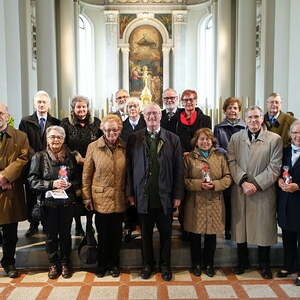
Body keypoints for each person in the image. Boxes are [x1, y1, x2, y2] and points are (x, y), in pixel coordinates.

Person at [127, 103, 184, 281]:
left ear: (161, 116)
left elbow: (179, 169)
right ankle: (147, 265)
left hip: (165, 196)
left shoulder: (173, 139)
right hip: (143, 195)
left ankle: (165, 266)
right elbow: (129, 168)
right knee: (145, 235)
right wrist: (130, 193)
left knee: (166, 235)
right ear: (144, 117)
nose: (152, 116)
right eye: (148, 114)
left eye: (155, 113)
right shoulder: (134, 138)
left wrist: (177, 195)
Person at [227, 106, 283, 279]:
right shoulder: (236, 138)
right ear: (245, 119)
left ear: (262, 119)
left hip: (263, 191)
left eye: (257, 117)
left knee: (263, 227)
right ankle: (242, 262)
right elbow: (231, 160)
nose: (253, 121)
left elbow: (275, 167)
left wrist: (256, 184)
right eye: (250, 117)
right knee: (240, 226)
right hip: (241, 189)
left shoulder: (274, 139)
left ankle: (264, 263)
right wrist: (243, 181)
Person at [28, 126, 80, 279]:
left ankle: (65, 262)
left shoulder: (70, 156)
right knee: (50, 236)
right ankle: (52, 263)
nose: (55, 140)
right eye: (52, 137)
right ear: (47, 139)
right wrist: (52, 185)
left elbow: (77, 179)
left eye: (59, 137)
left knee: (65, 235)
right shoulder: (39, 157)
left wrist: (71, 184)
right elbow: (32, 181)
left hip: (66, 203)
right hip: (48, 204)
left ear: (63, 139)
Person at [82, 114, 126, 278]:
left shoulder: (125, 147)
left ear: (119, 130)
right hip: (100, 198)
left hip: (119, 197)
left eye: (114, 130)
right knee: (103, 234)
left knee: (116, 235)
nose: (111, 133)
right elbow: (86, 175)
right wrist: (87, 197)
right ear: (102, 130)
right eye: (107, 130)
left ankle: (114, 264)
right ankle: (101, 265)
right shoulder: (93, 147)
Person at [184, 128, 232, 277]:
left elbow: (228, 177)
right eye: (201, 139)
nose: (205, 142)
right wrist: (199, 184)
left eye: (208, 139)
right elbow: (183, 180)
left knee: (211, 236)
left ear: (212, 141)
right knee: (195, 236)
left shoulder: (220, 156)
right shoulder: (189, 158)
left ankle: (209, 264)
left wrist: (216, 184)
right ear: (196, 141)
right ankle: (196, 264)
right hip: (195, 202)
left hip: (214, 201)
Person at [19, 90, 60, 237]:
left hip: (50, 163)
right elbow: (23, 142)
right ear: (34, 104)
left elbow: (58, 142)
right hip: (32, 163)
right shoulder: (26, 121)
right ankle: (33, 224)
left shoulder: (56, 122)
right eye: (39, 102)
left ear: (49, 104)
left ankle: (47, 222)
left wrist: (47, 158)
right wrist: (37, 157)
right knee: (32, 194)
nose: (41, 104)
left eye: (44, 102)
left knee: (48, 194)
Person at [61, 96, 102, 236]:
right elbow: (63, 144)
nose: (81, 109)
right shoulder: (66, 124)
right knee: (76, 196)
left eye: (84, 106)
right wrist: (75, 156)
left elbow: (102, 142)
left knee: (89, 194)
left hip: (93, 166)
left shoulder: (96, 122)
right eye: (78, 107)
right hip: (73, 167)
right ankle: (78, 225)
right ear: (73, 109)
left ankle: (90, 224)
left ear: (88, 108)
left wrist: (89, 159)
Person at [0, 104, 29, 278]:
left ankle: (9, 262)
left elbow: (23, 158)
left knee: (10, 232)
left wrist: (6, 177)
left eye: (1, 113)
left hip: (11, 190)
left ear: (7, 115)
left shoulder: (20, 136)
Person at [214, 97, 246, 240]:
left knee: (240, 199)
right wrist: (229, 153)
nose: (232, 110)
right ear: (224, 111)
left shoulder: (245, 126)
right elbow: (216, 146)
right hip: (226, 165)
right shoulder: (219, 127)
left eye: (235, 108)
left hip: (242, 166)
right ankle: (227, 228)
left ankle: (240, 228)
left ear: (239, 111)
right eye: (229, 108)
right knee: (227, 200)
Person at [277, 120, 300, 286]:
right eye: (295, 133)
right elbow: (279, 171)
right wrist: (279, 181)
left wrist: (297, 186)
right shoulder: (284, 151)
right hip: (286, 201)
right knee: (287, 235)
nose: (298, 136)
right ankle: (288, 265)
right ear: (290, 134)